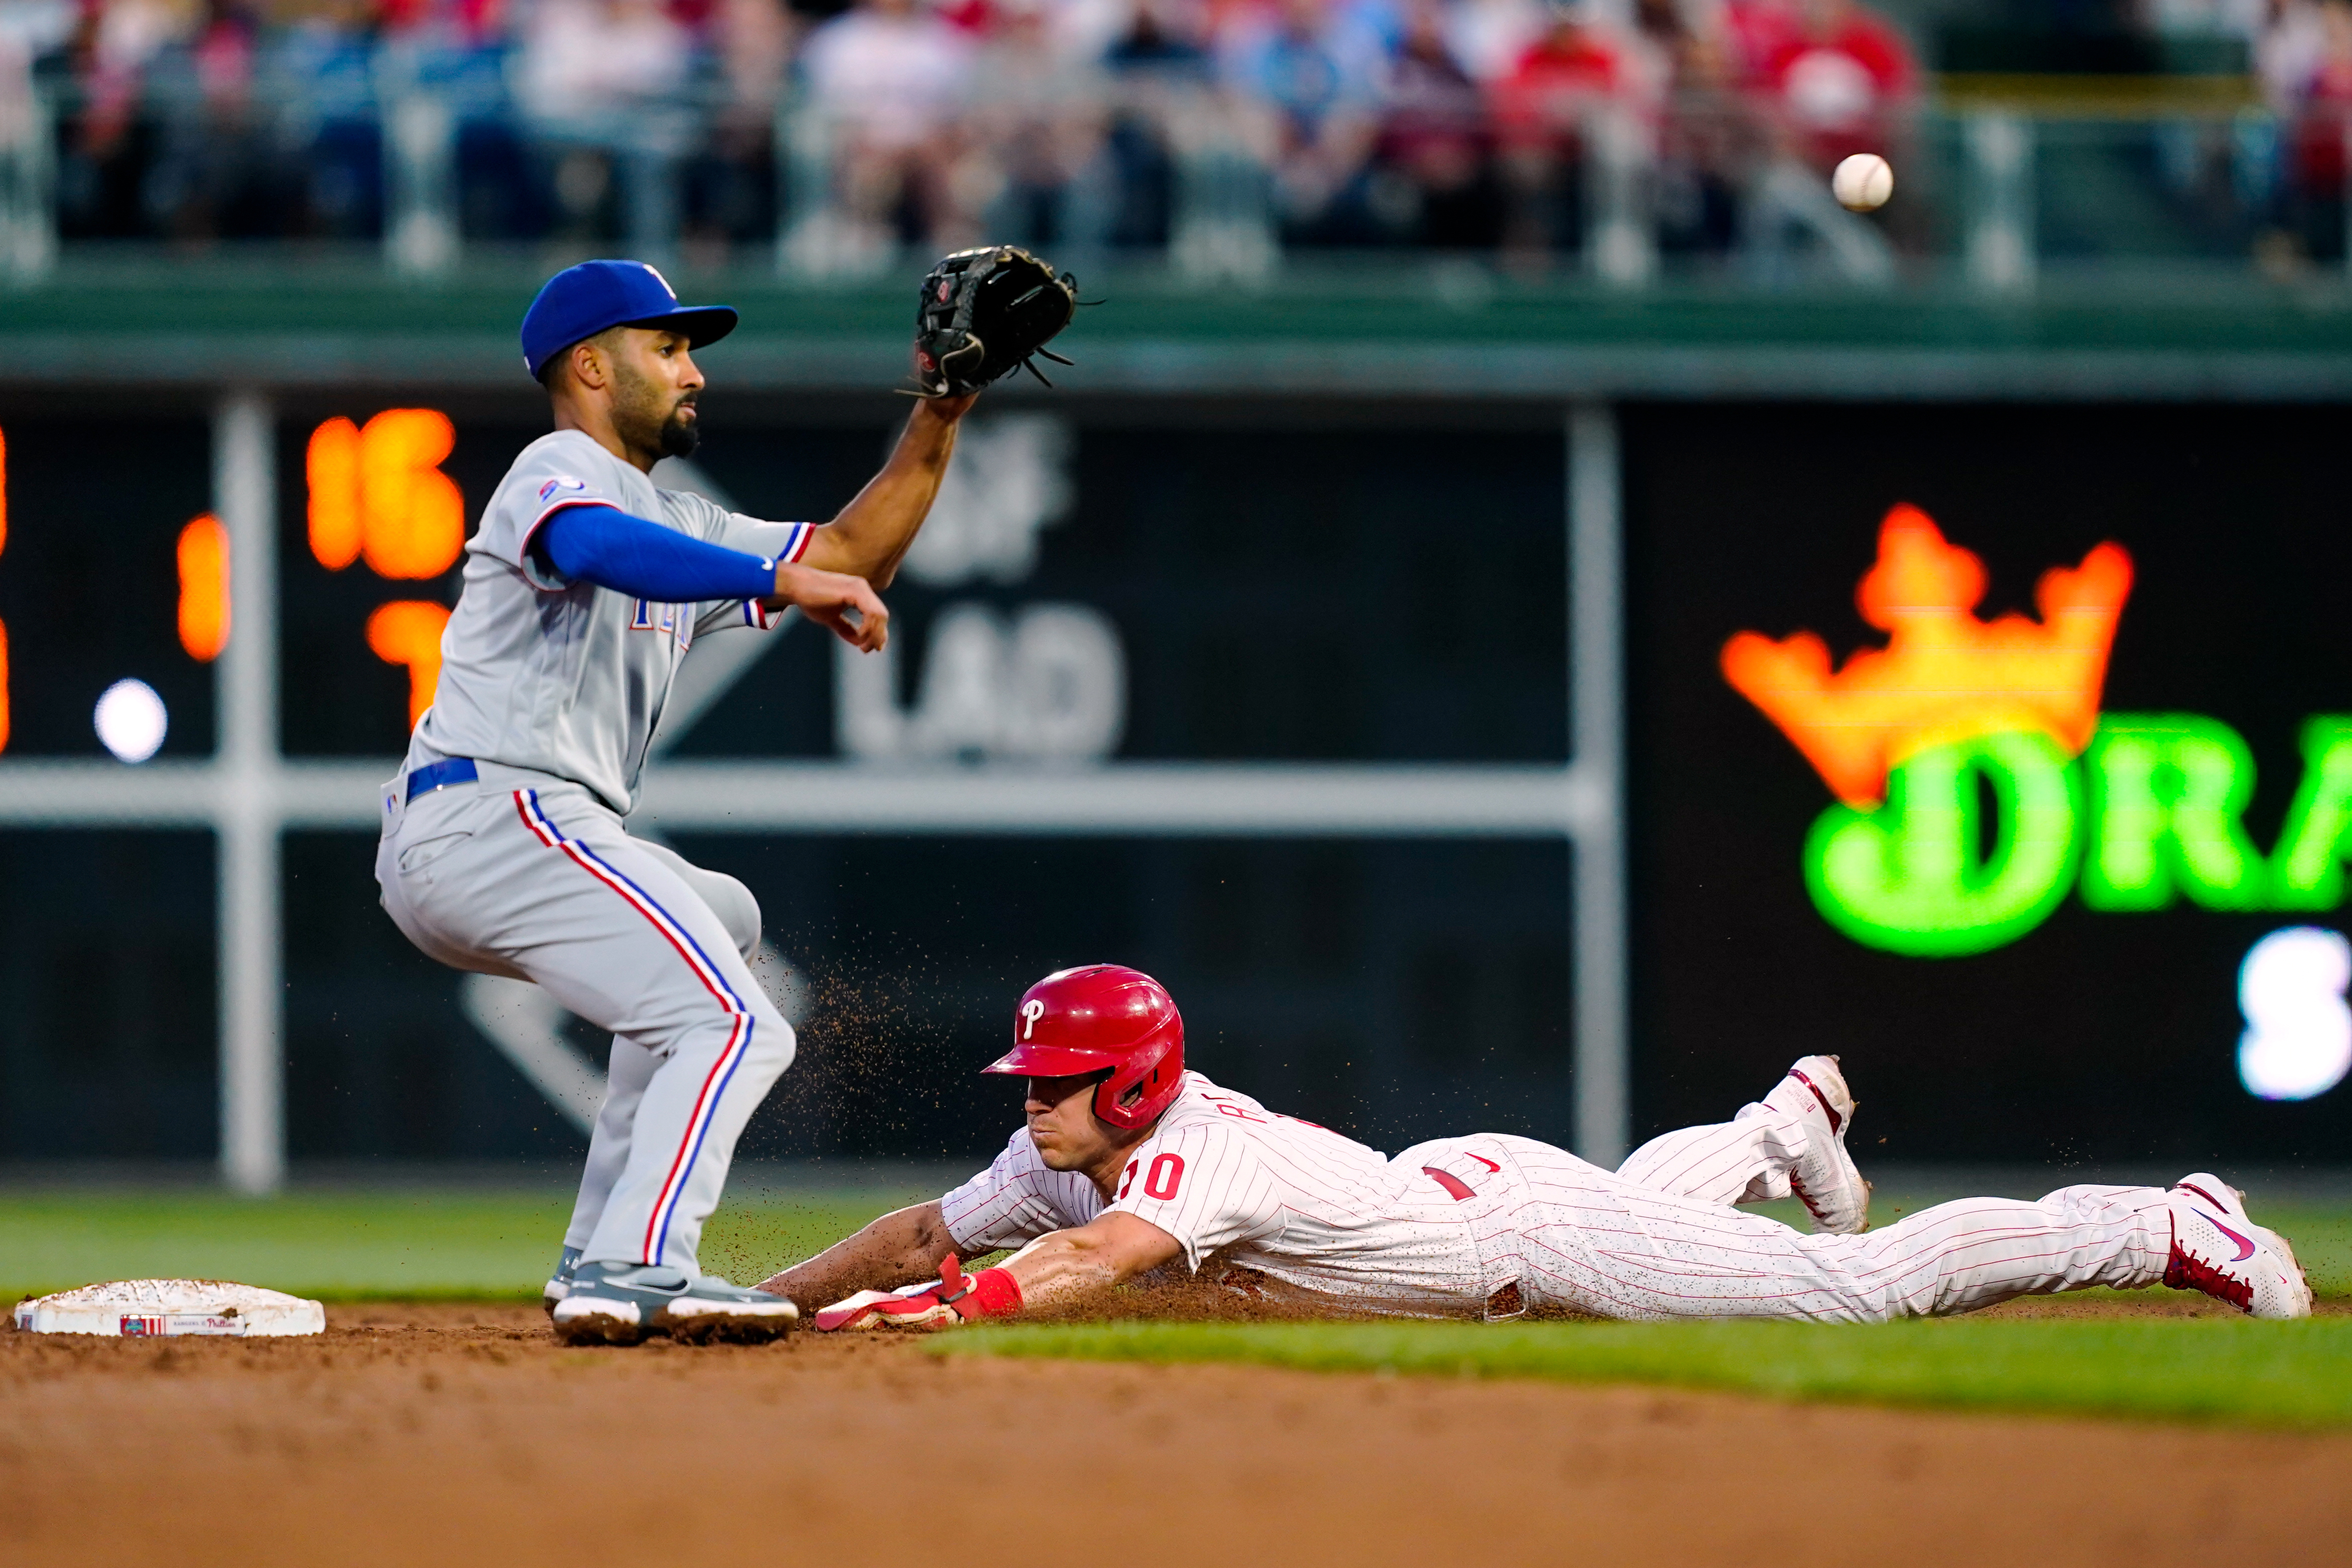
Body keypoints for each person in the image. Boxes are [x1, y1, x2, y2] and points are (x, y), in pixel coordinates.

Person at [374, 259, 977, 1345]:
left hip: (523, 831)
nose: (694, 373)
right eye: (669, 349)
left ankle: (595, 1257)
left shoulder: (675, 516)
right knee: (736, 1024)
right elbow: (595, 547)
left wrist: (942, 410)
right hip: (494, 813)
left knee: (725, 929)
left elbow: (850, 553)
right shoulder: (554, 470)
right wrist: (777, 582)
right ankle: (642, 1264)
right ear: (590, 367)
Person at [762, 963, 2312, 1329]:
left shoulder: (1185, 1153)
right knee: (1657, 1209)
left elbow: (1093, 1261)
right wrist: (766, 1301)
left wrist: (935, 1316)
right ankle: (1781, 1127)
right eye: (1032, 1078)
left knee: (1860, 1294)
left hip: (1526, 1239)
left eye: (1056, 1080)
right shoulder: (1067, 1149)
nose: (1028, 1102)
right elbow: (922, 1231)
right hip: (1471, 1188)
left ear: (1135, 1082)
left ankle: (2165, 1223)